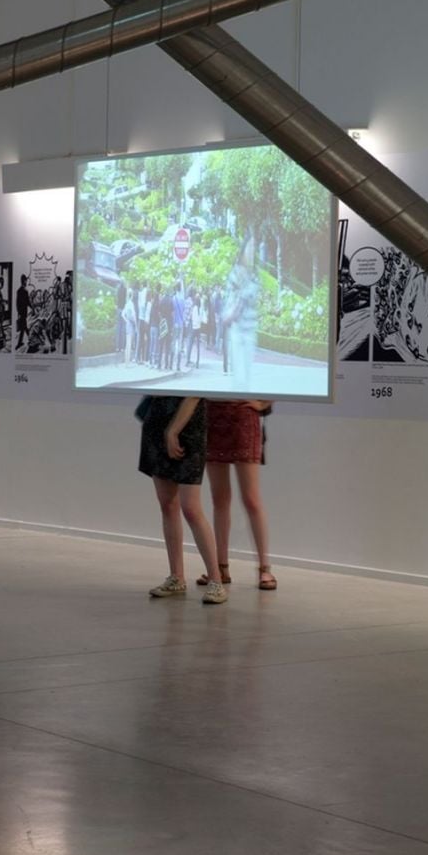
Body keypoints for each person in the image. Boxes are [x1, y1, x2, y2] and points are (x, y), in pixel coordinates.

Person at [138, 396, 228, 604]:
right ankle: (176, 576)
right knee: (167, 505)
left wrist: (173, 430)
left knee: (191, 508)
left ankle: (216, 579)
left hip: (188, 427)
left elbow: (194, 393)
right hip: (157, 421)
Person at [196, 399, 277, 591]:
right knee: (220, 498)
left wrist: (264, 403)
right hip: (210, 415)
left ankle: (264, 567)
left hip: (244, 417)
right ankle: (221, 567)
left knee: (251, 499)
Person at [224, 235, 259, 390]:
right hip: (237, 332)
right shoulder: (235, 273)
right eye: (249, 247)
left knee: (247, 378)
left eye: (254, 248)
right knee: (239, 379)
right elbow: (230, 300)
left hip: (250, 330)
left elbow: (254, 300)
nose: (252, 251)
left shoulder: (255, 276)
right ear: (243, 250)